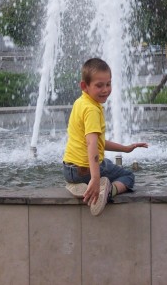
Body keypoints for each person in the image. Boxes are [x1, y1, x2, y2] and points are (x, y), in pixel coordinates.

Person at [62, 58, 148, 216]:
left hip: (69, 170)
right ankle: (105, 192)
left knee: (107, 163)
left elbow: (98, 142)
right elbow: (92, 144)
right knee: (128, 176)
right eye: (99, 85)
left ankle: (78, 185)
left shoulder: (80, 102)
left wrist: (125, 149)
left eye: (108, 84)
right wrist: (95, 178)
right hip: (87, 170)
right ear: (84, 86)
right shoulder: (92, 110)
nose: (105, 90)